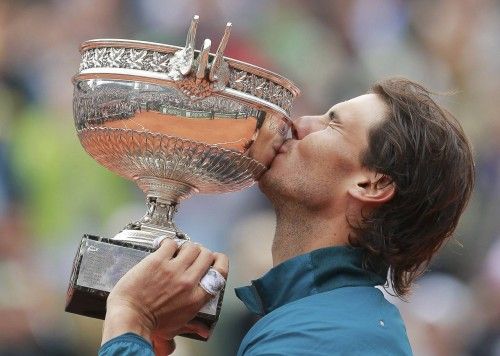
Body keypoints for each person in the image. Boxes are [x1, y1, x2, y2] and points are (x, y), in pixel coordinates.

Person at [98, 77, 474, 355]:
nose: (300, 123)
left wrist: (129, 319)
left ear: (371, 184)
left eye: (332, 123)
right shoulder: (326, 322)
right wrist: (149, 340)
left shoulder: (329, 336)